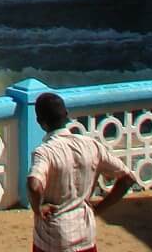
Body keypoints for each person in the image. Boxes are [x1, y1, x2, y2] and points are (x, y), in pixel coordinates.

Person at [27, 92, 136, 252]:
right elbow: (127, 178)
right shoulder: (91, 145)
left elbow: (34, 186)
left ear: (41, 122)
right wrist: (98, 209)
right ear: (66, 115)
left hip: (53, 238)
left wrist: (38, 209)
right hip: (85, 234)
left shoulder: (45, 152)